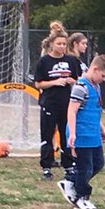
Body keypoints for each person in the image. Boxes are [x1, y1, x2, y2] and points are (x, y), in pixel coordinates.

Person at [60, 54, 105, 209]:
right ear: (95, 69)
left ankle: (70, 181)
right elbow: (72, 111)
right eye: (103, 76)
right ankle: (82, 198)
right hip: (81, 135)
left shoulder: (96, 87)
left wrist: (102, 129)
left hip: (93, 135)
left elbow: (95, 111)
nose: (103, 79)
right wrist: (72, 134)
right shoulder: (80, 87)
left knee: (98, 164)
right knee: (86, 168)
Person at [33, 29, 81, 179]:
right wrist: (55, 82)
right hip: (49, 103)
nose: (61, 47)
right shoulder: (44, 61)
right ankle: (46, 166)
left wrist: (72, 81)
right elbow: (38, 84)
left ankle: (68, 165)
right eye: (58, 44)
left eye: (64, 44)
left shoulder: (71, 60)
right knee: (47, 135)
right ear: (52, 44)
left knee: (66, 135)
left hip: (66, 104)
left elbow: (78, 79)